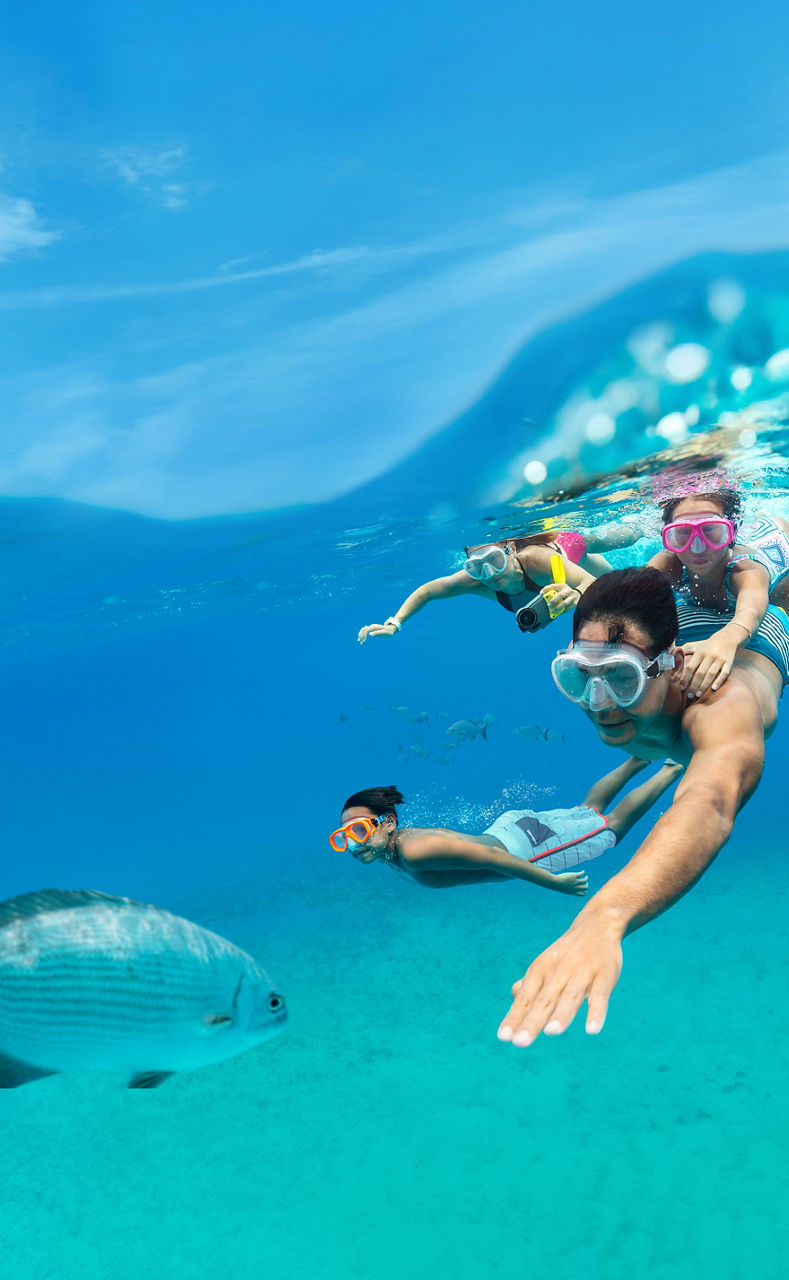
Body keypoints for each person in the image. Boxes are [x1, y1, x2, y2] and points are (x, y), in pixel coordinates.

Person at [497, 564, 787, 1048]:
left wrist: (606, 915)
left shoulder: (720, 704)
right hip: (679, 625)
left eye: (620, 679)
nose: (599, 702)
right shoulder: (634, 668)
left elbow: (709, 801)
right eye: (578, 677)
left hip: (767, 633)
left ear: (668, 665)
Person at [330, 757, 683, 893]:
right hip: (510, 831)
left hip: (525, 849)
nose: (354, 843)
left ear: (388, 822)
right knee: (588, 810)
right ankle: (640, 757)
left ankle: (670, 768)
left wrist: (553, 882)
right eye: (343, 838)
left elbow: (493, 860)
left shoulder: (413, 850)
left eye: (359, 830)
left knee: (609, 829)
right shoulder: (392, 849)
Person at [357, 525, 643, 644]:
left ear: (510, 549)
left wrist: (578, 591)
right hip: (565, 572)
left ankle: (643, 527)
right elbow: (428, 591)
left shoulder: (535, 559)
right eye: (476, 566)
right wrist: (395, 622)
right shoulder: (475, 581)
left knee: (605, 548)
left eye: (493, 560)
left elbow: (589, 583)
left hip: (566, 546)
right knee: (607, 577)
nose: (488, 573)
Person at [648, 489, 789, 699]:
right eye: (683, 531)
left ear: (731, 533)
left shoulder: (746, 569)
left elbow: (750, 611)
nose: (696, 548)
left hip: (776, 541)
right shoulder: (670, 563)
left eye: (711, 529)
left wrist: (727, 638)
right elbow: (634, 598)